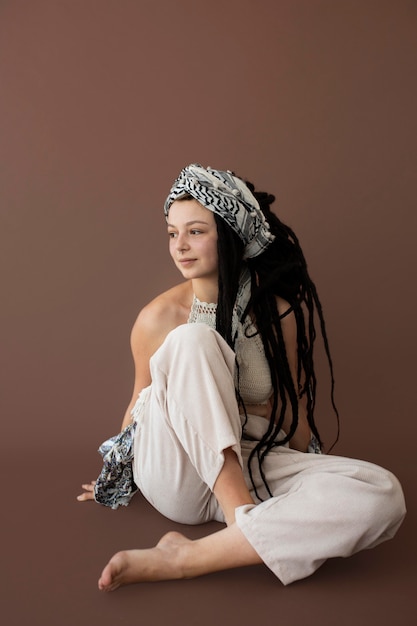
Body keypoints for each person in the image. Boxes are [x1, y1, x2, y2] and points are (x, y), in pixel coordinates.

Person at [77, 163, 406, 592]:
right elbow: (140, 404)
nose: (180, 246)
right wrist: (114, 472)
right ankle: (242, 519)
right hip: (178, 470)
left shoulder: (277, 315)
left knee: (382, 492)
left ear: (231, 236)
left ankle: (190, 556)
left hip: (248, 455)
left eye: (195, 231)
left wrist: (311, 472)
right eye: (172, 233)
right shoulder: (158, 318)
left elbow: (290, 408)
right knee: (194, 340)